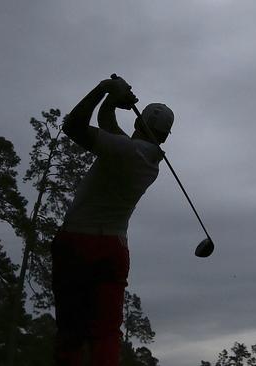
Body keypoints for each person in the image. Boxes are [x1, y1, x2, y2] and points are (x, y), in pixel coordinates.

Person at [51, 75, 174, 365]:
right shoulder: (148, 159)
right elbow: (108, 124)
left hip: (77, 242)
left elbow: (73, 126)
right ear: (165, 136)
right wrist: (113, 101)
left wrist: (103, 88)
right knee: (105, 334)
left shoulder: (127, 149)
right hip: (113, 249)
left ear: (137, 123)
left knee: (71, 332)